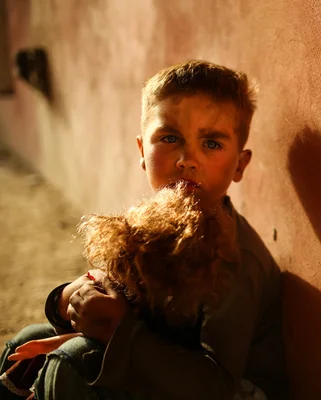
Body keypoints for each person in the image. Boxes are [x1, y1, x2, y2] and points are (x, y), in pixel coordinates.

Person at [0, 60, 288, 400]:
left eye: (211, 143)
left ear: (239, 165)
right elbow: (117, 305)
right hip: (159, 356)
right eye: (169, 138)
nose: (186, 159)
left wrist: (119, 332)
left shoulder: (236, 261)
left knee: (72, 364)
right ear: (142, 152)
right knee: (27, 341)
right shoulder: (154, 224)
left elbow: (215, 385)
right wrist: (67, 302)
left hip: (226, 389)